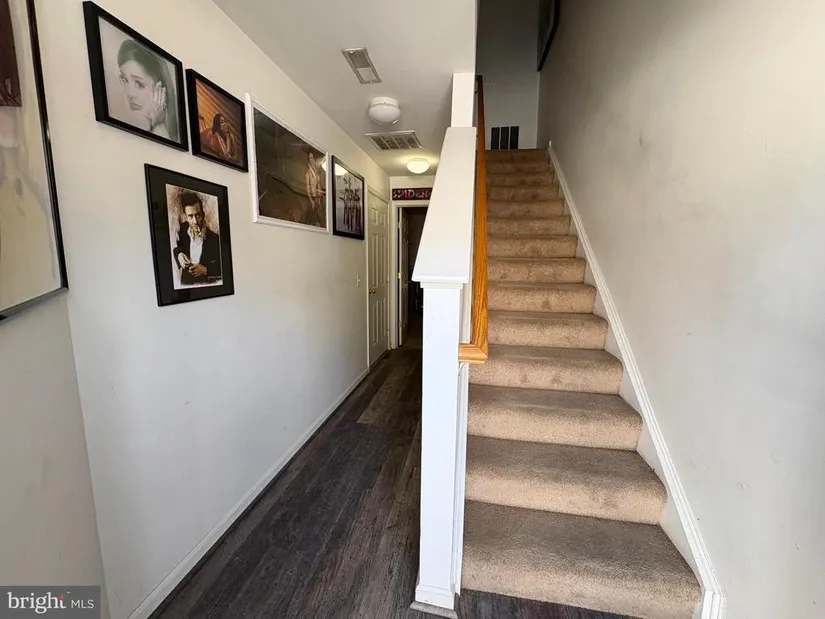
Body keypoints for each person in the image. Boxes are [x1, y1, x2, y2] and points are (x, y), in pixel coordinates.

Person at [116, 39, 178, 140]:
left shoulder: (161, 135)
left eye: (139, 84)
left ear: (161, 92)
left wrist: (148, 124)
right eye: (124, 79)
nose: (129, 93)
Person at [173, 192, 221, 286]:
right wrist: (179, 254)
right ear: (186, 217)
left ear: (203, 214)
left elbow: (224, 268)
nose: (195, 221)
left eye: (198, 215)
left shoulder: (215, 239)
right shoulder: (182, 229)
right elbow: (177, 247)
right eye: (190, 216)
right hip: (186, 287)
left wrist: (205, 270)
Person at [304, 151, 325, 225]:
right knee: (312, 218)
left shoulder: (318, 173)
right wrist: (311, 200)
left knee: (321, 217)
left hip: (319, 198)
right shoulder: (308, 174)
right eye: (311, 158)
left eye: (313, 158)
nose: (312, 160)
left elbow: (320, 185)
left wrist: (321, 194)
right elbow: (307, 187)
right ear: (308, 160)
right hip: (313, 198)